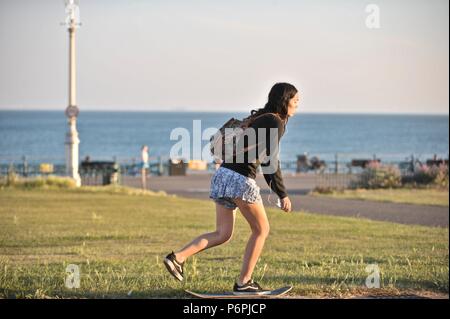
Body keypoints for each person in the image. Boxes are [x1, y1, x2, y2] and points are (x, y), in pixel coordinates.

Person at [164, 83, 300, 295]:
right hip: (239, 179)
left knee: (222, 233)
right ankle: (244, 282)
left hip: (223, 175)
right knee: (261, 230)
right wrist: (281, 193)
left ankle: (177, 258)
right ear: (285, 100)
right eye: (295, 99)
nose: (298, 103)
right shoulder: (275, 121)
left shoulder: (260, 118)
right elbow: (270, 160)